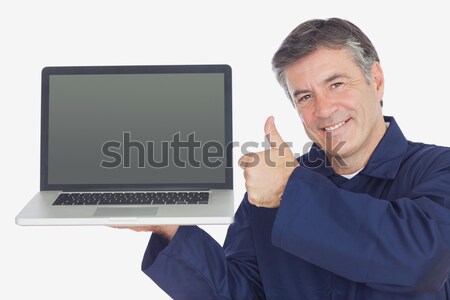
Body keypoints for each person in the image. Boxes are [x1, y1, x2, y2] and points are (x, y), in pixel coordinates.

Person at [116, 18, 450, 299]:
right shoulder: (274, 186)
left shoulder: (439, 169)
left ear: (375, 80)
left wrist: (286, 192)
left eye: (336, 83)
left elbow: (423, 259)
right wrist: (170, 227)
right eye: (305, 96)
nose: (323, 109)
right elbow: (241, 292)